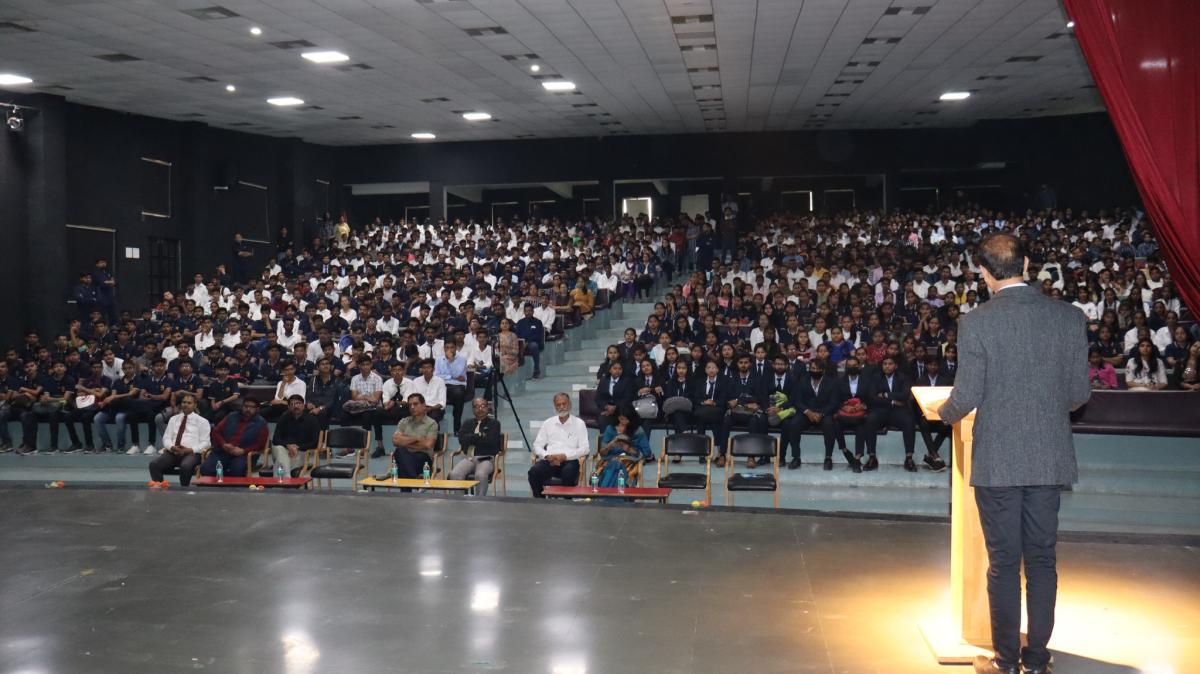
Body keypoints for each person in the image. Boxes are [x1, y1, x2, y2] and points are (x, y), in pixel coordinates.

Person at [936, 233, 1091, 674]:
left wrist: (942, 413)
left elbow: (966, 395)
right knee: (1042, 559)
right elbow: (1078, 395)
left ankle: (1005, 662)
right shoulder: (1069, 317)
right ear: (1026, 264)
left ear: (984, 274)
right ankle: (1037, 660)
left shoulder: (976, 322)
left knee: (1004, 562)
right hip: (1048, 455)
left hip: (998, 458)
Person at [859, 355, 917, 472]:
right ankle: (872, 457)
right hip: (880, 410)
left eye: (890, 364)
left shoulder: (903, 378)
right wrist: (892, 401)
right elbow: (872, 397)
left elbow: (904, 395)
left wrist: (885, 394)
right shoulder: (875, 378)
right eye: (885, 364)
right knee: (870, 420)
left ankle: (909, 457)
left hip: (899, 411)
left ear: (895, 366)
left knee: (909, 421)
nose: (887, 366)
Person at [528, 392, 590, 498]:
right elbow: (537, 446)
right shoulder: (548, 423)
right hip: (550, 461)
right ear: (555, 406)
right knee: (533, 472)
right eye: (558, 404)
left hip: (570, 461)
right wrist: (547, 456)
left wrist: (565, 456)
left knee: (568, 472)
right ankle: (540, 502)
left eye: (564, 404)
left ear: (570, 404)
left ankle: (566, 503)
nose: (561, 407)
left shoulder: (579, 423)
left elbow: (585, 448)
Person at [147, 393, 211, 487]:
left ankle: (183, 490)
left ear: (195, 405)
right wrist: (172, 447)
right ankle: (160, 488)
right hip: (174, 452)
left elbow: (206, 443)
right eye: (184, 402)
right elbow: (166, 438)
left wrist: (188, 450)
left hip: (192, 453)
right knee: (154, 464)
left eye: (189, 403)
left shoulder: (202, 421)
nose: (186, 405)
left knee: (185, 466)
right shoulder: (173, 419)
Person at [201, 398, 269, 478]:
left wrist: (243, 451)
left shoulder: (261, 423)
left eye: (251, 407)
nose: (248, 409)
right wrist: (223, 444)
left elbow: (260, 445)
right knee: (206, 469)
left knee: (237, 472)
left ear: (257, 409)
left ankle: (227, 482)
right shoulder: (232, 416)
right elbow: (216, 432)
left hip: (243, 455)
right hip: (223, 451)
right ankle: (222, 481)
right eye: (246, 406)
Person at [449, 398, 503, 496]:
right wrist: (480, 436)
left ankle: (479, 501)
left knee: (480, 475)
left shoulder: (494, 424)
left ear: (487, 408)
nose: (480, 409)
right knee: (455, 474)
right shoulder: (467, 423)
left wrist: (471, 438)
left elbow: (491, 442)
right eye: (477, 406)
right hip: (469, 458)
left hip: (486, 458)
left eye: (483, 406)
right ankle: (460, 500)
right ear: (473, 409)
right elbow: (462, 439)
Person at [391, 393, 439, 491]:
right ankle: (415, 481)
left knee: (401, 460)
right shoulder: (404, 421)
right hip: (405, 455)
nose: (412, 407)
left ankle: (407, 492)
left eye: (415, 404)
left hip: (423, 459)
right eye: (410, 405)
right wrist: (416, 438)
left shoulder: (432, 423)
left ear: (424, 405)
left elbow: (428, 445)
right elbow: (395, 441)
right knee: (400, 451)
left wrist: (405, 441)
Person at [266, 395, 320, 478]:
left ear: (303, 405)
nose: (296, 406)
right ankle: (287, 480)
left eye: (298, 403)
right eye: (292, 404)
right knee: (279, 449)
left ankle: (281, 481)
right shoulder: (284, 419)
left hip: (302, 452)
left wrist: (297, 447)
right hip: (284, 449)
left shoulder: (312, 420)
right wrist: (288, 446)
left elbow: (315, 442)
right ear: (289, 407)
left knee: (281, 462)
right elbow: (275, 439)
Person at [596, 408, 651, 487]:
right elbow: (602, 452)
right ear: (617, 417)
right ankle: (618, 492)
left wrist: (629, 449)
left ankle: (604, 491)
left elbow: (647, 452)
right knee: (614, 465)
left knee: (616, 466)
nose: (624, 422)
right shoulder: (610, 429)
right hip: (610, 460)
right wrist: (611, 444)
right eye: (621, 419)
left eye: (626, 419)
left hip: (629, 461)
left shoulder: (637, 430)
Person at [435, 341, 470, 432]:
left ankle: (457, 423)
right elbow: (437, 375)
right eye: (447, 347)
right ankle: (437, 420)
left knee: (458, 394)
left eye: (452, 347)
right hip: (442, 384)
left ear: (456, 348)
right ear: (444, 348)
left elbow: (457, 373)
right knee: (434, 392)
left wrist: (450, 361)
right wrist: (451, 377)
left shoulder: (462, 359)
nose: (449, 350)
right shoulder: (439, 359)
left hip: (457, 385)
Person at [594, 359, 634, 430]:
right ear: (610, 370)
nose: (617, 370)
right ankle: (605, 437)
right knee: (603, 419)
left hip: (621, 410)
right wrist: (606, 406)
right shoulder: (603, 380)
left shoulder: (627, 381)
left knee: (621, 419)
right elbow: (598, 398)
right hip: (605, 409)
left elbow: (628, 398)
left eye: (620, 369)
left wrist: (615, 407)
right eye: (615, 368)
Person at [515, 303, 546, 379]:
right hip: (521, 343)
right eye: (526, 311)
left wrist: (527, 342)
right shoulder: (520, 322)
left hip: (533, 343)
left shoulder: (538, 322)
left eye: (529, 311)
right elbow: (516, 335)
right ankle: (515, 372)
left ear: (533, 312)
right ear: (524, 312)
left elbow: (538, 336)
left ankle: (536, 370)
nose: (528, 313)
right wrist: (521, 343)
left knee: (534, 346)